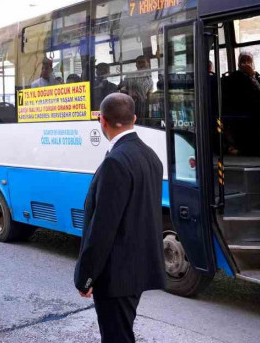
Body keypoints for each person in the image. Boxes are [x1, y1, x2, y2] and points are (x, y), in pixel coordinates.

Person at [74, 93, 165, 343]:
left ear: (102, 121)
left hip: (117, 276)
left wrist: (86, 276)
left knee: (116, 337)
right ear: (134, 118)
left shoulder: (116, 161)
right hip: (138, 269)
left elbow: (102, 229)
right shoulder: (151, 156)